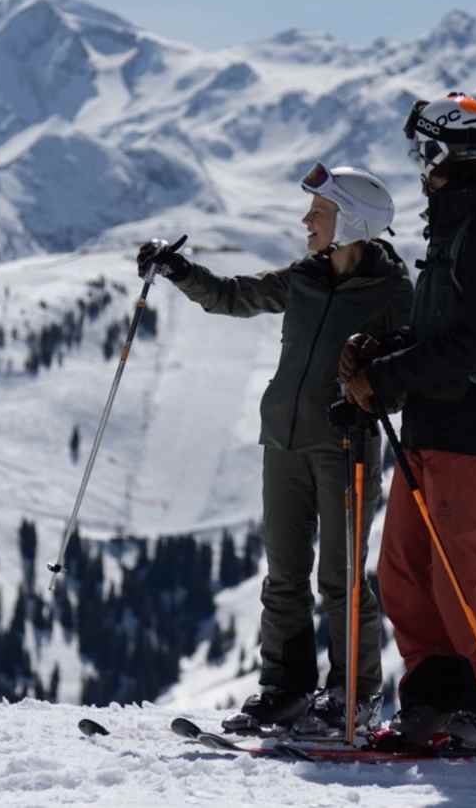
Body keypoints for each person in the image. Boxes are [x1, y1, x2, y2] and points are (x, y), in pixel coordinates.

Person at [137, 163, 412, 732]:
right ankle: (284, 689)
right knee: (284, 574)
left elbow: (410, 370)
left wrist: (372, 391)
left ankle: (353, 698)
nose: (306, 220)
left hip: (346, 446)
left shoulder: (394, 293)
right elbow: (235, 297)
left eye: (320, 211)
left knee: (340, 579)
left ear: (353, 221)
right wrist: (179, 270)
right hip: (284, 441)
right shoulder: (306, 276)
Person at [339, 92, 476, 749]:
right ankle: (435, 700)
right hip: (432, 428)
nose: (416, 163)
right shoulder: (453, 225)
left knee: (464, 574)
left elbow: (469, 346)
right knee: (406, 572)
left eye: (419, 149)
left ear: (436, 151)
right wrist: (381, 357)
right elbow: (440, 335)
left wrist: (387, 378)